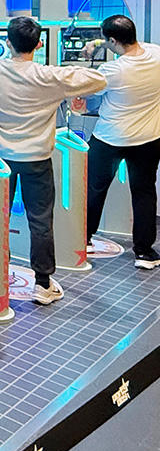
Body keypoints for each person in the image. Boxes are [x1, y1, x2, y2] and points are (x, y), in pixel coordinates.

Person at [0, 17, 106, 304]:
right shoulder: (50, 76)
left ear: (7, 42)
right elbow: (100, 81)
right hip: (37, 159)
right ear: (39, 44)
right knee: (40, 221)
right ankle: (42, 283)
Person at [83, 15, 160, 268]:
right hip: (149, 138)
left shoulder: (112, 71)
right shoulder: (156, 54)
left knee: (94, 188)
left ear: (114, 41)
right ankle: (144, 252)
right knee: (144, 192)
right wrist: (98, 43)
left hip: (110, 138)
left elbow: (87, 91)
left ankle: (84, 239)